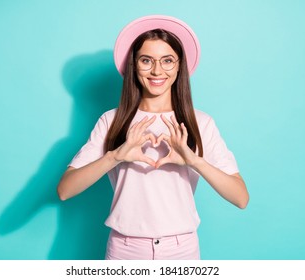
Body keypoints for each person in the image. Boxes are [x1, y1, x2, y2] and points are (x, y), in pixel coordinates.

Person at [57, 15, 249, 260]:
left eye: (167, 60)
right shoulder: (111, 121)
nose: (157, 70)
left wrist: (194, 161)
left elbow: (240, 197)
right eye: (146, 60)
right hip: (124, 250)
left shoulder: (201, 122)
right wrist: (115, 156)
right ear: (133, 65)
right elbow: (65, 190)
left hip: (182, 250)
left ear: (179, 65)